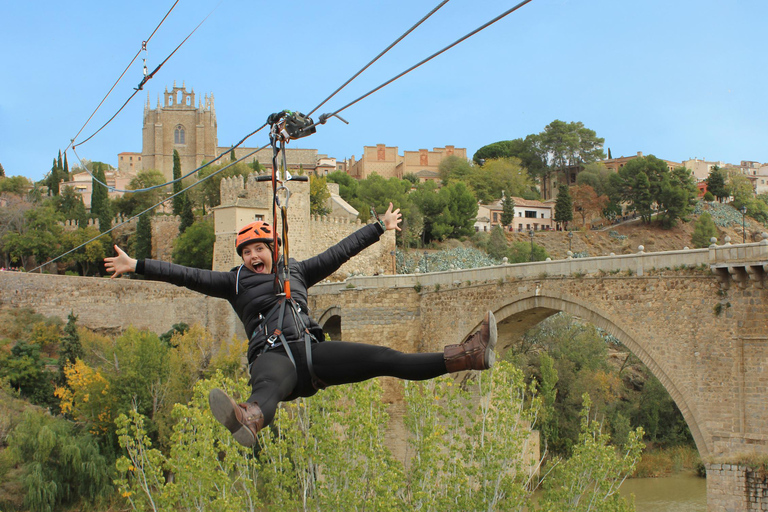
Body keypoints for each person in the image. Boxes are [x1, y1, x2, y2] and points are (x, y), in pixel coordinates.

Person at [105, 203, 497, 447]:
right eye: (247, 252)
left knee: (386, 358)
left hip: (312, 352)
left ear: (273, 250)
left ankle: (469, 356)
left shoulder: (297, 272)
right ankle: (250, 418)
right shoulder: (234, 282)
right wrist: (136, 265)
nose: (254, 256)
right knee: (267, 388)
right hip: (273, 356)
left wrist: (379, 228)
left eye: (260, 248)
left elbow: (339, 253)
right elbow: (185, 275)